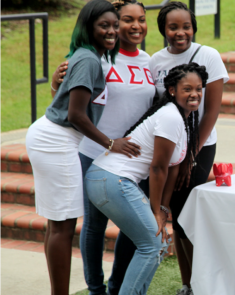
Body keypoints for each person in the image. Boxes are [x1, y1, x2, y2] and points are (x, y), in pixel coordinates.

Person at [25, 1, 141, 294]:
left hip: (52, 137)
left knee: (57, 225)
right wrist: (111, 143)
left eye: (115, 25)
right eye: (105, 25)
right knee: (63, 227)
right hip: (57, 140)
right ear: (88, 27)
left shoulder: (91, 56)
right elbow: (76, 115)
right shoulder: (89, 59)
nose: (112, 31)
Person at [51, 1, 156, 294]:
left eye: (141, 20)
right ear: (110, 23)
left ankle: (117, 285)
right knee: (95, 225)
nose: (135, 26)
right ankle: (95, 288)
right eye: (126, 20)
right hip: (94, 152)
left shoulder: (149, 61)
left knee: (131, 228)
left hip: (134, 159)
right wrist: (55, 83)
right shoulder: (97, 57)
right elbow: (67, 100)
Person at [84, 62, 207, 294]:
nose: (194, 94)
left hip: (107, 179)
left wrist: (162, 208)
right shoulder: (171, 116)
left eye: (199, 89)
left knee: (155, 244)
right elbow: (158, 168)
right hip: (112, 179)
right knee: (153, 244)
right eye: (187, 89)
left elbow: (171, 169)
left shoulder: (182, 120)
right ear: (172, 90)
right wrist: (156, 211)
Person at [149, 2, 229, 294]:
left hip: (200, 146)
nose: (180, 32)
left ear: (194, 27)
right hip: (169, 147)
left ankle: (200, 283)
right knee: (177, 215)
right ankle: (188, 283)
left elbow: (211, 112)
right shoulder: (155, 60)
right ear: (163, 30)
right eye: (173, 27)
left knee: (186, 215)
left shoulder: (209, 55)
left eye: (186, 26)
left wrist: (190, 154)